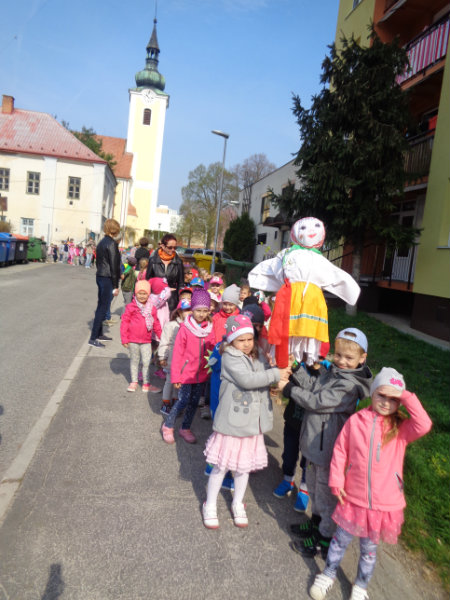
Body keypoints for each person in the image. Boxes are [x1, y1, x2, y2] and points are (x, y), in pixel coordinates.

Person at [309, 368, 432, 600]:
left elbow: (424, 424)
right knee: (339, 541)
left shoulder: (401, 428)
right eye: (381, 395)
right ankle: (328, 574)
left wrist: (405, 395)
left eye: (393, 399)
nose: (386, 402)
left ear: (399, 402)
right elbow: (340, 451)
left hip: (382, 504)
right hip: (352, 499)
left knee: (368, 550)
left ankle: (361, 586)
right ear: (372, 393)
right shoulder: (356, 421)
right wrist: (336, 480)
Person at [281, 328, 373, 558]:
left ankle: (323, 540)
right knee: (314, 488)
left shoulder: (349, 386)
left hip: (328, 449)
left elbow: (316, 401)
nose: (342, 361)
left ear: (362, 358)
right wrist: (297, 370)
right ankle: (315, 525)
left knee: (326, 497)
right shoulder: (334, 373)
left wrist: (290, 390)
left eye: (349, 357)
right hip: (315, 444)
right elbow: (313, 387)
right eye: (338, 355)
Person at [202, 314, 290, 529]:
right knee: (221, 466)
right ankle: (210, 504)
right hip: (232, 424)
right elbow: (248, 380)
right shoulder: (230, 357)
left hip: (251, 425)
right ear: (231, 340)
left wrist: (276, 372)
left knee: (243, 468)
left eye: (250, 339)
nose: (247, 344)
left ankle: (238, 503)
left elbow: (263, 377)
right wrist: (275, 374)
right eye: (241, 340)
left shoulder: (257, 355)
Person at [249, 217, 360, 367]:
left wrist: (351, 291)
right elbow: (273, 268)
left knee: (309, 332)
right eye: (303, 228)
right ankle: (284, 361)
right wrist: (256, 277)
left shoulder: (319, 259)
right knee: (288, 330)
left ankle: (307, 361)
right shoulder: (287, 254)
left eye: (316, 227)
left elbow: (335, 274)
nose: (310, 231)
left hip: (311, 302)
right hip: (291, 298)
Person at [271, 342, 330, 513]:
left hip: (311, 429)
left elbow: (314, 393)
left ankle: (304, 489)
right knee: (289, 454)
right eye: (308, 354)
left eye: (318, 357)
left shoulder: (326, 375)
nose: (313, 360)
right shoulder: (298, 367)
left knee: (307, 461)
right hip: (292, 422)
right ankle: (288, 479)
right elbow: (284, 383)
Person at [161, 289, 216, 444]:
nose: (201, 314)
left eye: (205, 311)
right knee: (183, 401)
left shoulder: (210, 328)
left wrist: (213, 366)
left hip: (201, 374)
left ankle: (185, 428)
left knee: (193, 402)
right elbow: (178, 354)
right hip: (185, 374)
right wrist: (176, 376)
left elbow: (212, 349)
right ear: (192, 309)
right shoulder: (185, 328)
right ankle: (168, 425)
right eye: (198, 310)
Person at [120, 280, 162, 393]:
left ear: (148, 294)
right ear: (135, 293)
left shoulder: (152, 308)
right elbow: (124, 323)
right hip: (132, 340)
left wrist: (162, 337)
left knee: (146, 362)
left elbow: (156, 323)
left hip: (146, 341)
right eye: (140, 293)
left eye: (145, 293)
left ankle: (146, 384)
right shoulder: (131, 307)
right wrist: (124, 338)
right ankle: (134, 382)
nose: (142, 296)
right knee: (134, 361)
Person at [88, 219, 122, 348]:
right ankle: (93, 338)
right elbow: (114, 265)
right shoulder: (112, 244)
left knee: (101, 305)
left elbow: (99, 262)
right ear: (115, 229)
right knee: (103, 307)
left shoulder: (102, 242)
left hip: (101, 275)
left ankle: (99, 333)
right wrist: (116, 285)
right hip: (107, 277)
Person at [157, 298, 192, 416]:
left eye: (190, 310)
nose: (189, 312)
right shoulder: (171, 325)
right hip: (172, 359)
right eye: (186, 310)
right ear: (179, 312)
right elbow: (164, 342)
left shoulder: (191, 326)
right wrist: (162, 357)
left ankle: (176, 402)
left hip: (184, 361)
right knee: (169, 381)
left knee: (179, 382)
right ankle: (165, 403)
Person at [146, 233, 184, 311]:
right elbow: (148, 280)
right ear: (163, 246)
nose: (173, 250)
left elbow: (181, 283)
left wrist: (180, 297)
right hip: (156, 298)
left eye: (175, 247)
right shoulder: (153, 260)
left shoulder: (178, 262)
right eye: (170, 247)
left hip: (171, 300)